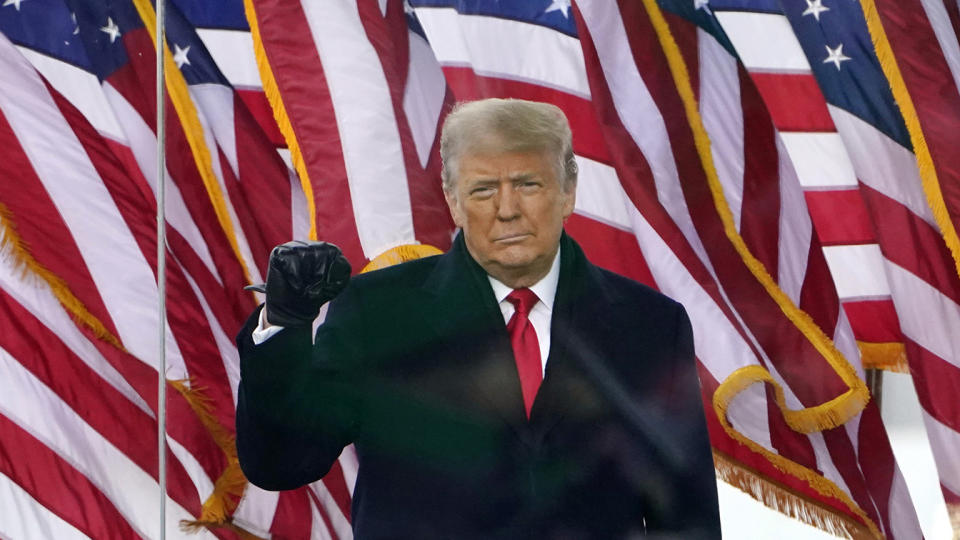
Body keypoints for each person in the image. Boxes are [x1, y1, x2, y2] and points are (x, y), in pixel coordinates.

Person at [236, 98, 720, 539]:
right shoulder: (379, 312)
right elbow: (281, 461)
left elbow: (684, 515)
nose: (507, 210)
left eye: (528, 184)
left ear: (569, 192)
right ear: (453, 200)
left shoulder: (650, 323)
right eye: (484, 189)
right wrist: (285, 321)